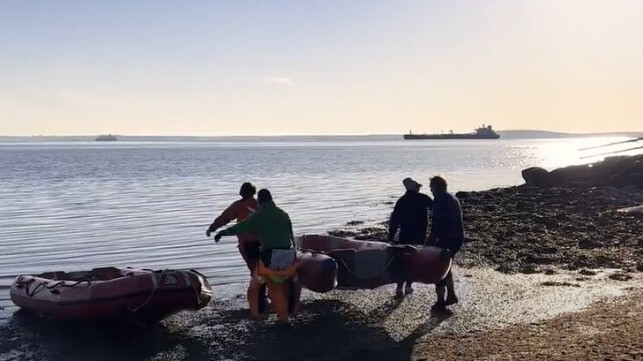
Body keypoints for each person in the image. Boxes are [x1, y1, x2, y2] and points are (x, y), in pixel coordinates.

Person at [215, 189, 300, 324]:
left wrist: (222, 233)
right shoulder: (284, 214)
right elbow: (292, 237)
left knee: (263, 287)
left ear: (260, 201)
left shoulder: (259, 215)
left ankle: (277, 318)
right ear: (271, 199)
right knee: (279, 284)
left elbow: (241, 227)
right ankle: (284, 312)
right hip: (287, 254)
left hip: (270, 257)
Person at [388, 177, 433, 297]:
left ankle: (399, 287)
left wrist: (391, 236)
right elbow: (435, 208)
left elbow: (394, 220)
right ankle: (409, 285)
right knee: (413, 260)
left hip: (405, 234)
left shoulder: (401, 200)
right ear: (416, 188)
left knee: (402, 260)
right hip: (419, 234)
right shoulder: (423, 198)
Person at [426, 176, 464, 313]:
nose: (430, 190)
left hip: (446, 238)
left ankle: (440, 301)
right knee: (446, 266)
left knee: (439, 268)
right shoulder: (452, 198)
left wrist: (431, 240)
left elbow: (438, 222)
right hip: (457, 237)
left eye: (431, 187)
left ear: (436, 187)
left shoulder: (439, 199)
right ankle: (451, 294)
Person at [206, 182, 261, 273]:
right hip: (263, 241)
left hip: (246, 243)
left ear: (242, 193)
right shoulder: (260, 204)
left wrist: (212, 228)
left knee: (254, 270)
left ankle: (257, 285)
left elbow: (224, 218)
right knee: (263, 268)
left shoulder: (238, 205)